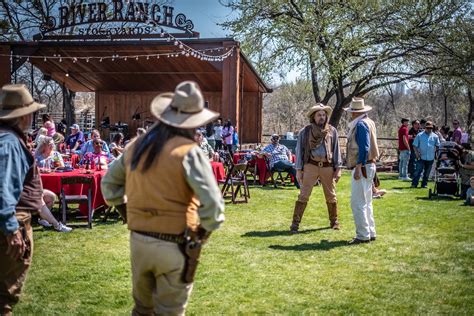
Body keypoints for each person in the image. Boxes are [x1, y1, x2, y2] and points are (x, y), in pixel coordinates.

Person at [101, 81, 225, 315]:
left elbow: (109, 185)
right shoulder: (189, 152)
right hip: (175, 243)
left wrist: (127, 213)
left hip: (139, 242)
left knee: (141, 310)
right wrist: (201, 235)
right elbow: (214, 207)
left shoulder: (136, 146)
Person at [0, 84, 46, 314]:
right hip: (12, 221)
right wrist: (11, 229)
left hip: (10, 217)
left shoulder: (6, 139)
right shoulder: (9, 143)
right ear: (24, 116)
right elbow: (2, 188)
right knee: (4, 296)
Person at [290, 103, 342, 233]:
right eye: (319, 115)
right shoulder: (305, 131)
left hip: (327, 166)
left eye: (324, 115)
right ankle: (295, 224)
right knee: (303, 195)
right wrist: (298, 170)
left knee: (331, 196)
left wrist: (338, 168)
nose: (322, 117)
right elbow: (299, 151)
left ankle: (334, 221)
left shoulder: (332, 131)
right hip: (310, 165)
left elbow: (336, 150)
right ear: (314, 117)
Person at [344, 97, 380, 245]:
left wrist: (358, 167)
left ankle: (362, 234)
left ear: (354, 113)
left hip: (363, 166)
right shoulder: (368, 122)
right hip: (369, 165)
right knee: (366, 201)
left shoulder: (360, 125)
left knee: (358, 202)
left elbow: (364, 148)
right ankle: (370, 232)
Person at [411, 121, 440, 188]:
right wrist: (417, 154)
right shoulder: (419, 135)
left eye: (430, 128)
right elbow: (414, 145)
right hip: (421, 156)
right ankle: (414, 184)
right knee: (418, 171)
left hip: (430, 157)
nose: (429, 129)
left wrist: (436, 154)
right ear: (425, 127)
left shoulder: (435, 136)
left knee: (427, 173)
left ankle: (424, 184)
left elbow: (438, 146)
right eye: (428, 128)